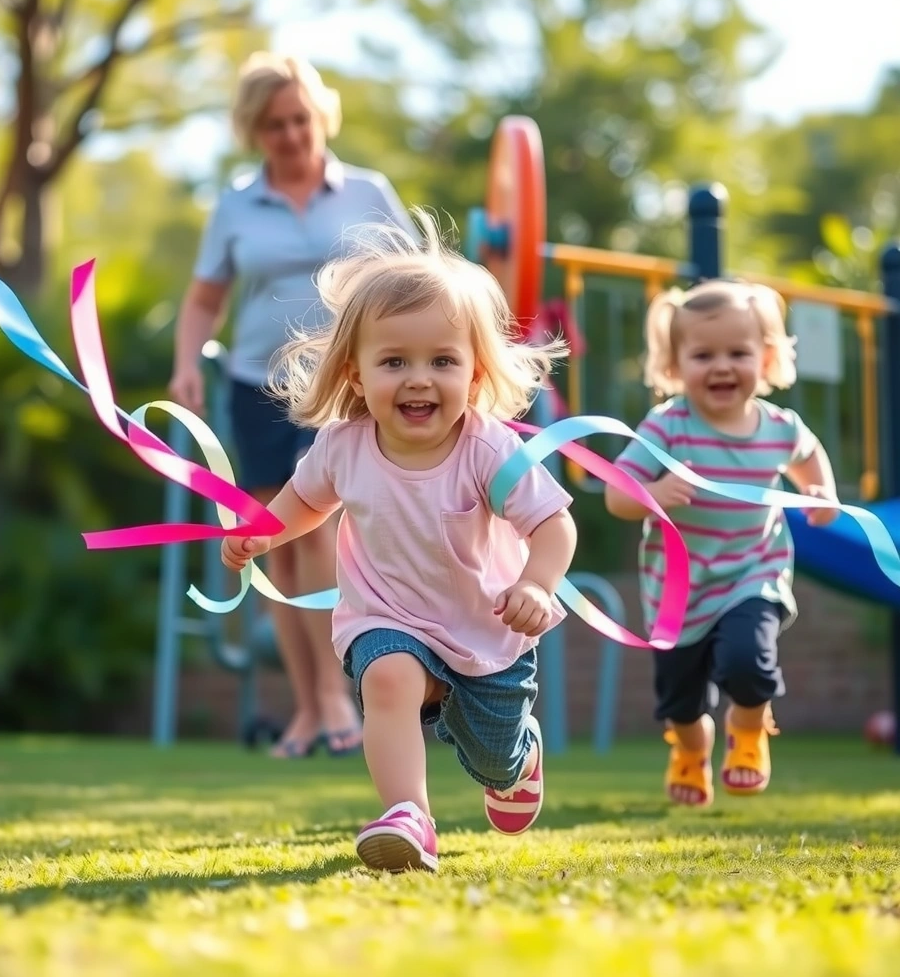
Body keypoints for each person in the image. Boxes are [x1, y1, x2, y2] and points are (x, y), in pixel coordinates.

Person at [221, 212, 577, 873]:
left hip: (485, 631)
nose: (419, 378)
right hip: (386, 618)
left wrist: (536, 583)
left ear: (473, 375)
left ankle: (515, 758)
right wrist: (259, 532)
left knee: (492, 755)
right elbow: (302, 503)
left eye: (442, 360)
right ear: (357, 375)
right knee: (386, 678)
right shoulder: (343, 447)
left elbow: (554, 523)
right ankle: (409, 816)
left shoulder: (486, 448)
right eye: (395, 361)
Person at [169, 52, 415, 759]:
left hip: (346, 383)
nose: (290, 135)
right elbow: (204, 299)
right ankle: (309, 709)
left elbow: (413, 279)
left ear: (321, 115)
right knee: (275, 542)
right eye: (274, 124)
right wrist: (187, 362)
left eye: (300, 118)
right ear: (254, 130)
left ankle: (338, 698)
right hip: (258, 385)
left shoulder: (368, 192)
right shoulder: (236, 204)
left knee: (317, 530)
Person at [604, 281, 840, 807]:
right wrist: (653, 492)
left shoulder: (779, 427)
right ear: (674, 364)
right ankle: (691, 749)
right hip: (678, 589)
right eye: (703, 355)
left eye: (739, 353)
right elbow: (617, 498)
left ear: (767, 357)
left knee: (748, 664)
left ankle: (749, 729)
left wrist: (820, 492)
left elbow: (808, 455)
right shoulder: (668, 427)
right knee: (680, 703)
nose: (722, 367)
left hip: (754, 571)